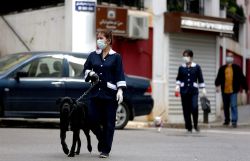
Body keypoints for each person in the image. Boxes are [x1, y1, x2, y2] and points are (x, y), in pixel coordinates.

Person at [83, 30, 126, 158]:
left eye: (101, 38)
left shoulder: (116, 57)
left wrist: (120, 90)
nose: (98, 40)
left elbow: (120, 74)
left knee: (109, 123)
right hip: (95, 93)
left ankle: (105, 150)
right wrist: (90, 74)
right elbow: (85, 69)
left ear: (108, 40)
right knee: (90, 119)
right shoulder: (93, 55)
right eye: (98, 38)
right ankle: (102, 139)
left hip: (110, 95)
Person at [175, 49, 206, 133]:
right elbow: (178, 78)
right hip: (184, 91)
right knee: (186, 109)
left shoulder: (197, 67)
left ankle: (195, 125)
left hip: (193, 91)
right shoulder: (181, 67)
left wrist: (203, 89)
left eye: (187, 56)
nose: (185, 57)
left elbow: (200, 78)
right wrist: (177, 87)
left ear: (191, 57)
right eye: (184, 56)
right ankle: (189, 127)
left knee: (194, 107)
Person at [215, 52, 248, 128]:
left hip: (233, 90)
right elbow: (218, 78)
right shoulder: (222, 68)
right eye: (228, 56)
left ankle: (234, 121)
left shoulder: (237, 68)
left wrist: (246, 89)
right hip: (225, 90)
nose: (229, 58)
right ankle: (227, 120)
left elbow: (242, 78)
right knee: (226, 106)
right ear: (226, 58)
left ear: (232, 58)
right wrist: (217, 85)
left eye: (230, 56)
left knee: (233, 106)